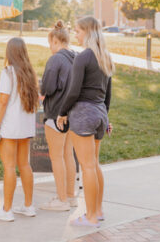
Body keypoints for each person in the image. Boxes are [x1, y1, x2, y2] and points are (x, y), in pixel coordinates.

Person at [57, 16, 113, 228]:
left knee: (87, 166)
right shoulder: (105, 57)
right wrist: (104, 116)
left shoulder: (84, 57)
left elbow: (73, 91)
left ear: (88, 32)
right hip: (99, 112)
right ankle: (97, 212)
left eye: (78, 31)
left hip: (82, 113)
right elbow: (108, 94)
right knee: (94, 164)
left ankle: (89, 217)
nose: (76, 35)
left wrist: (62, 112)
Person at [0, 38, 39, 221]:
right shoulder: (30, 73)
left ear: (9, 52)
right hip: (26, 127)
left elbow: (2, 102)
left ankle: (7, 210)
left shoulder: (8, 73)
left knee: (9, 166)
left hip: (10, 127)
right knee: (24, 165)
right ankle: (28, 206)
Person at [39, 21, 77, 211]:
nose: (50, 47)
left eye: (50, 43)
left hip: (55, 113)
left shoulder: (55, 60)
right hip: (73, 114)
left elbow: (47, 87)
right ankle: (70, 196)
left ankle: (61, 200)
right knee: (68, 155)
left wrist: (40, 88)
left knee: (56, 157)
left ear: (55, 40)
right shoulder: (76, 57)